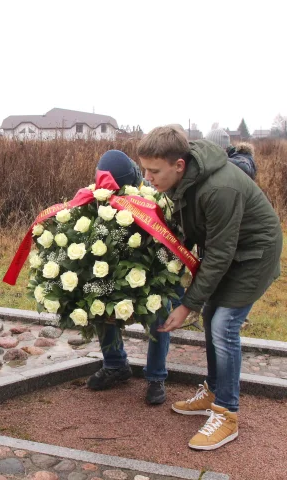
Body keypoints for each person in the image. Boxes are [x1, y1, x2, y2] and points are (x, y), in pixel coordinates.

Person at [137, 126, 282, 451]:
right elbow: (190, 228)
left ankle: (226, 414)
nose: (147, 177)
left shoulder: (220, 188)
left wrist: (188, 303)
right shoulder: (185, 177)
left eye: (154, 171)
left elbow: (218, 254)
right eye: (145, 168)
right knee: (213, 315)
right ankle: (215, 390)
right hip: (231, 251)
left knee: (223, 325)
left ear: (179, 165)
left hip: (255, 253)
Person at [86, 149, 172, 405]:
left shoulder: (155, 197)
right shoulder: (99, 198)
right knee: (97, 298)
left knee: (160, 310)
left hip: (151, 270)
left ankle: (156, 376)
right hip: (115, 270)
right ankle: (115, 365)